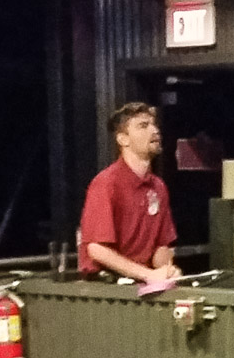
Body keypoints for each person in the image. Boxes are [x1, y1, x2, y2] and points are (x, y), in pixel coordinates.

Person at [78, 102, 182, 282]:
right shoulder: (106, 183)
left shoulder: (158, 186)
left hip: (140, 283)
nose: (154, 130)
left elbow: (160, 246)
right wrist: (148, 274)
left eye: (154, 124)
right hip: (107, 288)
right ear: (123, 139)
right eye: (143, 126)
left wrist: (167, 269)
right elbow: (96, 249)